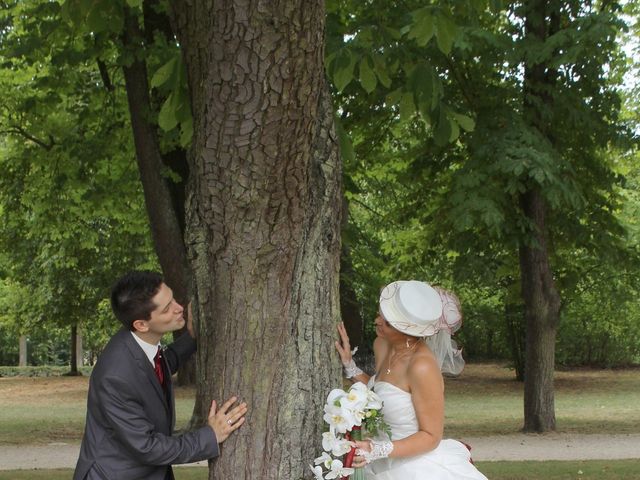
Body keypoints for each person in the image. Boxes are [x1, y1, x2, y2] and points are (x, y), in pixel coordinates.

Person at [74, 271, 248, 480]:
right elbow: (147, 447)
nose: (179, 308)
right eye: (167, 309)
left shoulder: (138, 343)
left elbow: (158, 367)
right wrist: (210, 436)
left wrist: (191, 338)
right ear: (142, 324)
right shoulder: (115, 377)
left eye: (172, 298)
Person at [335, 280, 488, 479]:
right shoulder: (382, 344)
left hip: (416, 467)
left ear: (407, 330)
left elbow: (431, 436)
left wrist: (376, 449)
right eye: (381, 314)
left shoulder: (422, 366)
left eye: (388, 321)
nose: (377, 321)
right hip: (382, 464)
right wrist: (349, 365)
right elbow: (378, 393)